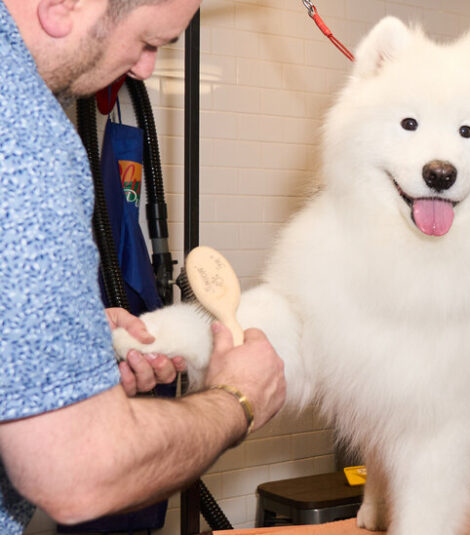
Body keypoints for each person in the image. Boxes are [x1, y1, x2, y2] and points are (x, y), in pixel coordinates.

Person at [0, 0, 287, 531]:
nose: (144, 69)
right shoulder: (25, 141)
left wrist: (62, 344)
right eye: (148, 42)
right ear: (63, 6)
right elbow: (77, 474)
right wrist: (237, 400)